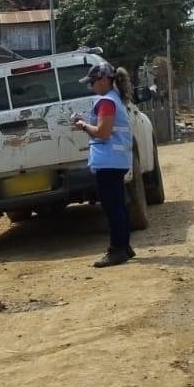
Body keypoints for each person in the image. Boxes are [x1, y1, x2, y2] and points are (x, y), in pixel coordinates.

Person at [72, 62, 135, 268]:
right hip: (116, 160)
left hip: (109, 161)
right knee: (118, 206)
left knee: (112, 207)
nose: (91, 86)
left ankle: (117, 250)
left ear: (104, 79)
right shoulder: (114, 99)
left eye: (93, 82)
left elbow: (102, 132)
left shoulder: (106, 101)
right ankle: (124, 247)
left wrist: (83, 125)